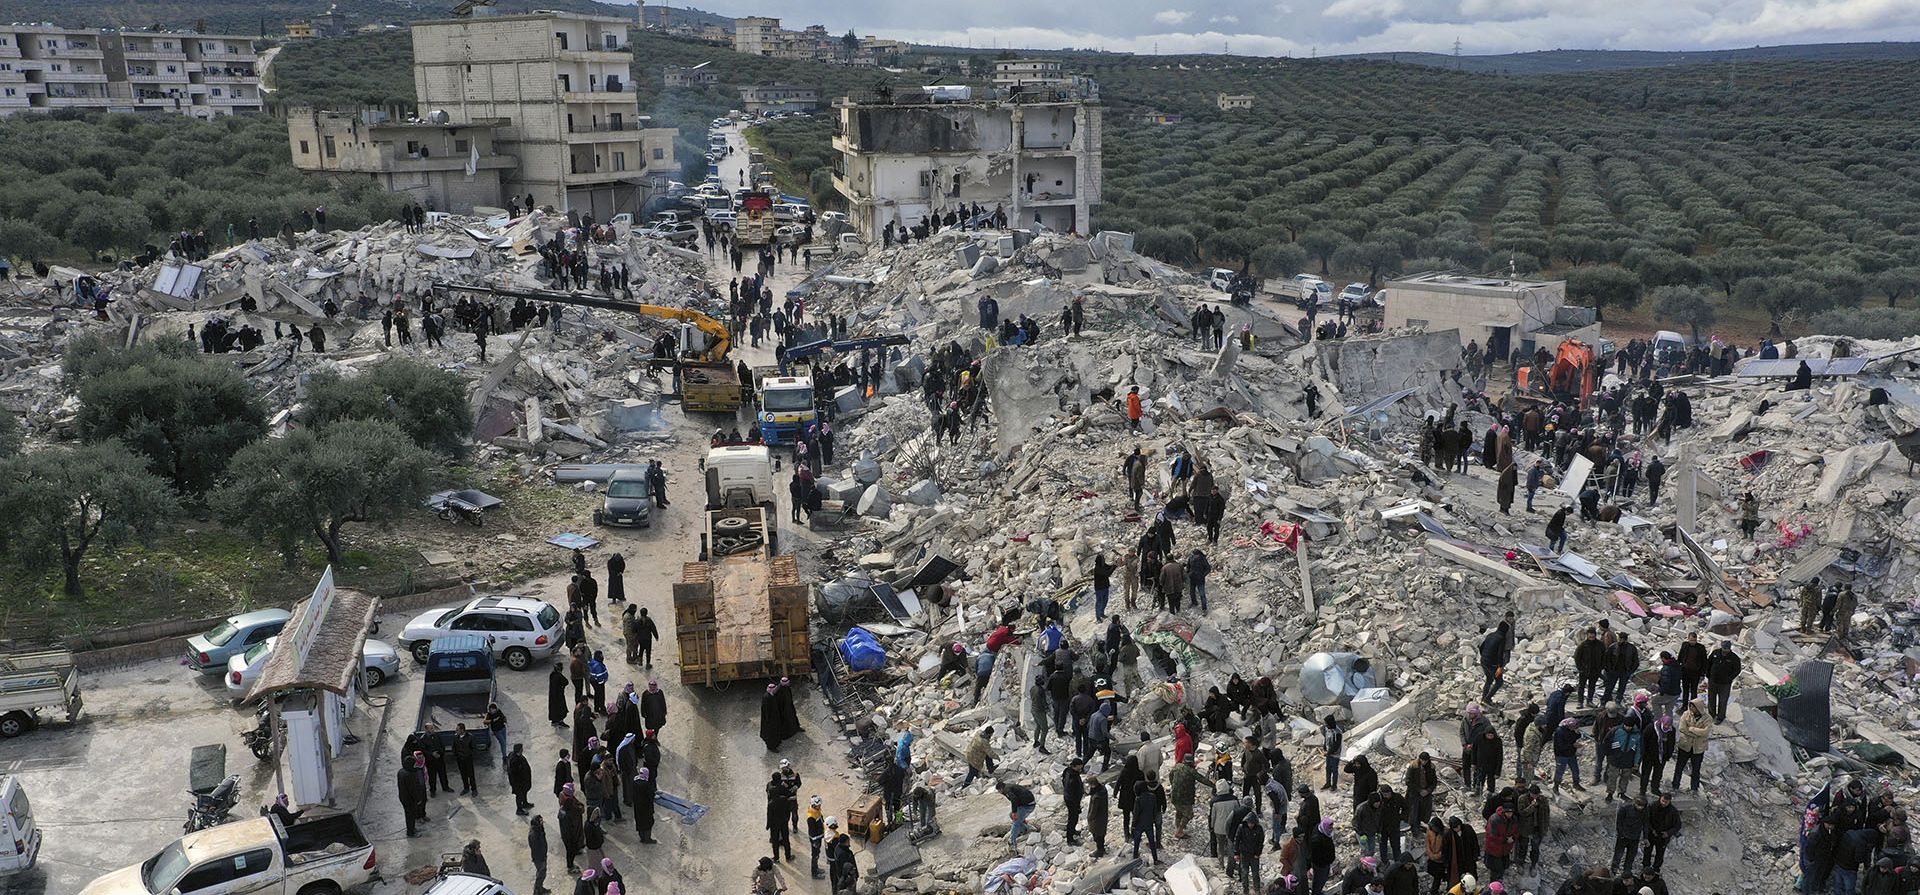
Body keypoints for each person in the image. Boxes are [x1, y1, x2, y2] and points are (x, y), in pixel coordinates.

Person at [1705, 640, 1741, 722]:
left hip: (1725, 684)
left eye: (1727, 649)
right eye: (1724, 648)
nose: (1725, 650)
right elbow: (1708, 663)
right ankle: (1711, 715)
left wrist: (1729, 678)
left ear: (1729, 648)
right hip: (1713, 681)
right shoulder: (1715, 653)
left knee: (1723, 701)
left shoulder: (1734, 658)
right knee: (1711, 699)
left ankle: (1720, 717)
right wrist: (1708, 674)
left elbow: (1737, 670)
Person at [1612, 796, 1647, 875]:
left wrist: (1645, 837)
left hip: (1635, 837)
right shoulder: (1625, 809)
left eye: (1642, 805)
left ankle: (1627, 872)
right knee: (1618, 855)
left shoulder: (1645, 811)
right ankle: (1613, 870)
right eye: (1639, 805)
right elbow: (1619, 823)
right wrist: (1621, 834)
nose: (1640, 807)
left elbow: (1646, 824)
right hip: (1624, 836)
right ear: (1635, 803)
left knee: (1631, 857)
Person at [1001, 779, 1038, 846]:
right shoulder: (1009, 786)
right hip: (1027, 803)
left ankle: (1012, 841)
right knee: (1011, 815)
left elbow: (1014, 799)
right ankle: (1025, 829)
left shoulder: (1007, 790)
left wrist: (1015, 812)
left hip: (1028, 805)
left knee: (1016, 821)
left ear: (1000, 789)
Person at [1088, 771, 1111, 857]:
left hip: (1097, 819)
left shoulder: (1096, 797)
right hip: (1103, 815)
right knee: (1101, 833)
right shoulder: (1103, 790)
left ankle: (1099, 850)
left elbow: (1093, 811)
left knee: (1097, 835)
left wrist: (1089, 818)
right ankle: (1101, 848)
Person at [507, 743, 534, 814]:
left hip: (523, 781)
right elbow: (514, 773)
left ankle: (525, 803)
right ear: (519, 750)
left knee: (524, 792)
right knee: (519, 795)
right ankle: (519, 809)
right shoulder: (514, 760)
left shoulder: (518, 756)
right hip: (518, 782)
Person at [452, 724, 479, 795]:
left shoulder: (470, 737)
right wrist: (456, 756)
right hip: (460, 760)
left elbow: (474, 749)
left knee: (471, 775)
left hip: (468, 759)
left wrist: (469, 756)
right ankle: (466, 788)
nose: (456, 731)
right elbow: (454, 747)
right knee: (463, 774)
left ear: (462, 730)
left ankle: (474, 789)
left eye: (457, 730)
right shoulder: (455, 737)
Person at [528, 815, 552, 895]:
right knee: (541, 874)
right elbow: (536, 848)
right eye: (541, 822)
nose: (542, 823)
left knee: (542, 873)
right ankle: (537, 891)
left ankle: (540, 888)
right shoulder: (534, 834)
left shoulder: (539, 830)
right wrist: (542, 857)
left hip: (542, 856)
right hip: (539, 858)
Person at [1322, 717, 1343, 790]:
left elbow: (1336, 745)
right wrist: (1324, 747)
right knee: (1328, 769)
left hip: (1335, 755)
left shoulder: (1338, 733)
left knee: (1334, 770)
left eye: (1326, 723)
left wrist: (1329, 752)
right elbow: (1326, 739)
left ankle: (1334, 785)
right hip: (1328, 753)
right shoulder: (1327, 729)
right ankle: (1328, 783)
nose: (1325, 725)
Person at [550, 662, 570, 727]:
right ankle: (560, 721)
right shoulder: (558, 676)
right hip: (559, 696)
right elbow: (566, 682)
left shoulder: (552, 675)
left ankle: (554, 720)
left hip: (552, 695)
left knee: (553, 708)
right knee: (561, 709)